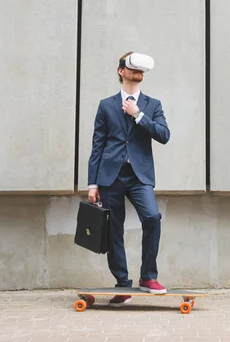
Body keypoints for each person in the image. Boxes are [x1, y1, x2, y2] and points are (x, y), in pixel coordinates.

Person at [87, 51, 170, 307]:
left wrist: (138, 114)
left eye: (141, 70)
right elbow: (97, 145)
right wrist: (92, 183)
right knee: (114, 229)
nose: (138, 73)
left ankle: (148, 277)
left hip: (139, 176)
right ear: (121, 71)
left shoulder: (152, 105)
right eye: (133, 68)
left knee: (152, 217)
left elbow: (164, 135)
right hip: (110, 176)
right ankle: (122, 283)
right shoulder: (106, 105)